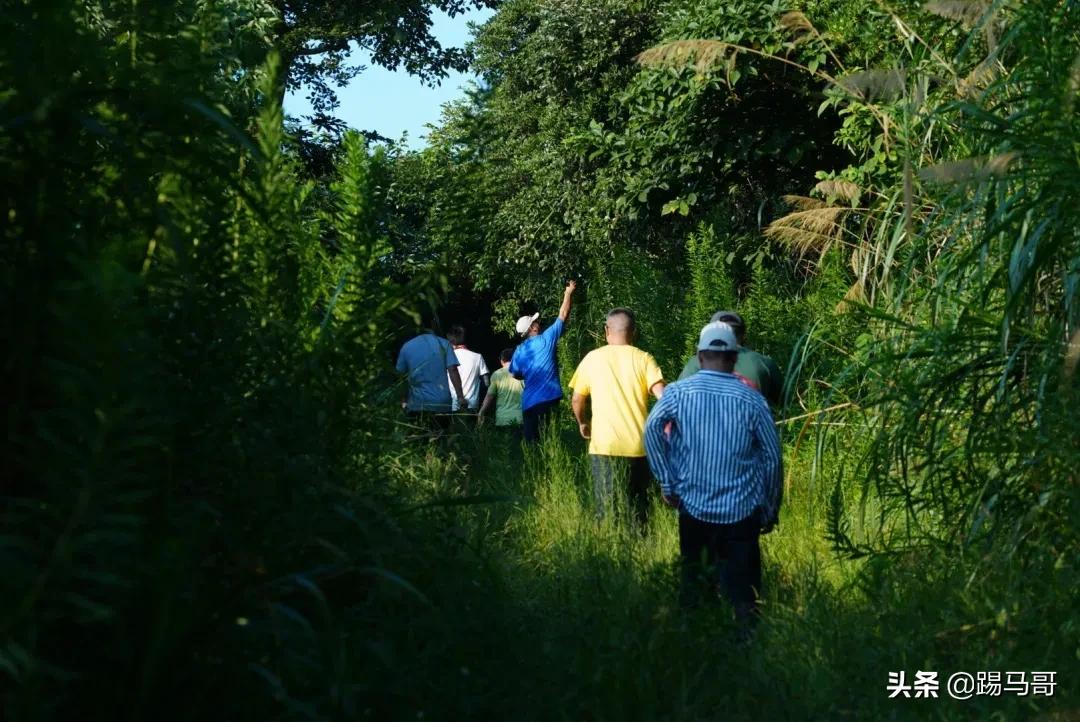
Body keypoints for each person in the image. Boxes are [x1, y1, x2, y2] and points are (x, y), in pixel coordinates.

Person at [645, 321, 783, 627]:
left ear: (699, 356)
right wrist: (770, 508)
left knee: (695, 589)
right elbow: (772, 458)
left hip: (693, 510)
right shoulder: (752, 399)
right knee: (744, 595)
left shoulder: (677, 394)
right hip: (742, 513)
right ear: (734, 357)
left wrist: (667, 482)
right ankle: (744, 643)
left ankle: (698, 642)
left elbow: (652, 429)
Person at [569, 308, 665, 527]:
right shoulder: (644, 358)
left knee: (606, 507)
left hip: (604, 445)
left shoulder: (593, 358)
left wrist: (582, 423)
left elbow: (576, 399)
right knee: (639, 509)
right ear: (634, 332)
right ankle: (640, 543)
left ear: (606, 331)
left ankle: (609, 543)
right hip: (639, 446)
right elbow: (663, 396)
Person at [509, 280, 577, 443]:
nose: (538, 323)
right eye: (535, 321)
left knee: (532, 445)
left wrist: (529, 374)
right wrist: (568, 293)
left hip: (528, 403)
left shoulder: (519, 351)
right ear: (532, 328)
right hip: (549, 399)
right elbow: (563, 314)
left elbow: (514, 374)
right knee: (551, 441)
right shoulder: (546, 339)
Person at [678, 311, 784, 408]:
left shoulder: (694, 363)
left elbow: (679, 402)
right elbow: (785, 404)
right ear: (743, 336)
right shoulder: (764, 363)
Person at [396, 328, 467, 426]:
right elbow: (453, 370)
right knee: (441, 433)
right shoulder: (444, 343)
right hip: (441, 404)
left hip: (416, 404)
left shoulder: (406, 347)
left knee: (420, 434)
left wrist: (403, 400)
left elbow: (400, 377)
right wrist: (460, 397)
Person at [446, 325, 490, 412]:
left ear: (451, 342)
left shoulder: (448, 358)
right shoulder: (477, 357)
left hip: (454, 405)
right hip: (473, 405)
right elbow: (486, 382)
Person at [479, 348, 524, 428]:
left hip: (502, 419)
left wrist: (482, 412)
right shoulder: (524, 373)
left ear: (502, 361)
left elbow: (490, 396)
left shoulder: (497, 374)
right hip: (521, 418)